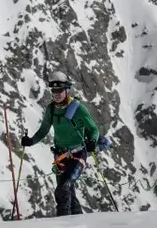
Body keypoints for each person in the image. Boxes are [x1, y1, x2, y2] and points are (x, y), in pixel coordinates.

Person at [19, 71, 106, 216]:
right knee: (68, 191)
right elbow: (43, 130)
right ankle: (78, 221)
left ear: (67, 90)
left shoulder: (78, 108)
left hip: (78, 153)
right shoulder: (51, 109)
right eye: (54, 90)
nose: (56, 93)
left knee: (64, 189)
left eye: (60, 90)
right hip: (60, 156)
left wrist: (92, 141)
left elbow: (93, 129)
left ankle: (62, 222)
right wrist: (31, 141)